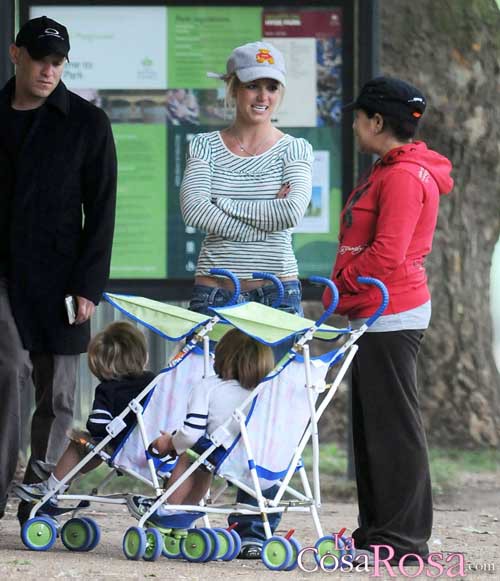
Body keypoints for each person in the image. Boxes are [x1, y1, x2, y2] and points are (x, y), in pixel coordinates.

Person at [179, 40, 313, 557]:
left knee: (271, 412)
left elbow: (290, 216)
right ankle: (185, 515)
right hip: (214, 292)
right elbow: (193, 209)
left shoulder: (296, 150)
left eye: (271, 86)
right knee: (202, 404)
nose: (262, 95)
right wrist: (257, 207)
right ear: (233, 87)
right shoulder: (204, 146)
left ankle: (255, 527)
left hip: (277, 293)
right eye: (253, 84)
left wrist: (225, 203)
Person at [322, 77, 454, 563]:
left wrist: (340, 286)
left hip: (390, 312)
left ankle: (402, 541)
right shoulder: (390, 168)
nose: (354, 125)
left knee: (393, 429)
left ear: (377, 121)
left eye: (359, 116)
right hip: (374, 310)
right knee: (373, 426)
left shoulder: (402, 175)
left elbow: (387, 254)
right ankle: (376, 532)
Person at [0, 16, 117, 523]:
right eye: (40, 60)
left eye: (57, 63)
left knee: (60, 391)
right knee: (9, 373)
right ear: (15, 54)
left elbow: (103, 207)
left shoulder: (88, 123)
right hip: (3, 276)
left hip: (63, 279)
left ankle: (36, 497)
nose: (48, 71)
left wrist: (89, 285)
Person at [129, 329, 274, 514]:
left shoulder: (209, 386)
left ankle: (168, 509)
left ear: (222, 357)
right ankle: (188, 510)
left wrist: (170, 442)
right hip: (265, 462)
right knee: (204, 453)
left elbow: (190, 435)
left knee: (191, 454)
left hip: (229, 460)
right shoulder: (266, 392)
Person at [13, 322, 155, 504]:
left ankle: (52, 486)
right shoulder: (153, 381)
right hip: (154, 449)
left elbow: (97, 424)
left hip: (123, 449)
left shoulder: (108, 389)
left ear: (105, 365)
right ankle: (60, 477)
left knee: (82, 444)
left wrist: (97, 432)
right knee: (99, 448)